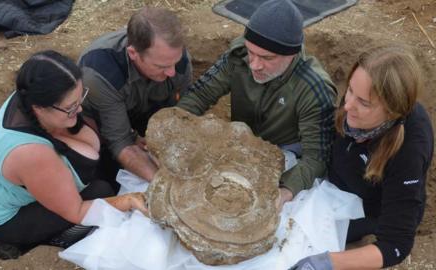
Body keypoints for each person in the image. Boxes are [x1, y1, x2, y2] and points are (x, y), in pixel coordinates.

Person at [0, 51, 147, 257]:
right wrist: (128, 201)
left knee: (108, 166)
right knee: (100, 190)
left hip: (16, 183)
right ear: (40, 108)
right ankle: (42, 243)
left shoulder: (33, 95)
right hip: (6, 217)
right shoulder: (31, 154)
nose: (78, 111)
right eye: (70, 107)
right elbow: (76, 211)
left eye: (80, 99)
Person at [177, 0, 336, 206]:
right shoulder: (239, 55)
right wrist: (176, 130)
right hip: (241, 143)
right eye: (251, 52)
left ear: (292, 54)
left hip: (286, 154)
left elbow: (316, 158)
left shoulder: (314, 88)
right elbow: (199, 94)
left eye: (267, 58)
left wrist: (285, 192)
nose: (254, 64)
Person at [290, 45, 434, 269]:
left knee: (296, 240)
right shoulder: (353, 103)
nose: (347, 106)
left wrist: (327, 263)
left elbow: (396, 244)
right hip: (333, 182)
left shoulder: (409, 149)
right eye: (349, 90)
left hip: (363, 210)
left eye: (364, 103)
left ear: (392, 111)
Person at [78, 6, 192, 186]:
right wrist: (167, 185)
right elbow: (120, 142)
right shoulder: (101, 72)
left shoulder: (175, 58)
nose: (171, 72)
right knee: (106, 181)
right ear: (133, 53)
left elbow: (181, 115)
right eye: (161, 67)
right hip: (102, 124)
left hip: (143, 110)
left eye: (174, 63)